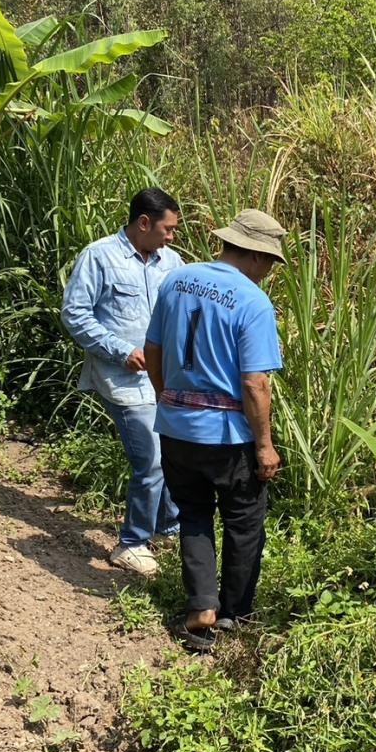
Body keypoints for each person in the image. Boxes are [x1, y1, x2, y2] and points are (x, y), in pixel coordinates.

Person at [144, 208, 287, 651]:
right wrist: (264, 445)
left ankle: (201, 607)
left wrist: (171, 398)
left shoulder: (176, 281)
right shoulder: (253, 302)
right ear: (258, 258)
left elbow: (153, 350)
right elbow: (254, 383)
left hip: (176, 428)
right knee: (244, 523)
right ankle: (235, 614)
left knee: (193, 513)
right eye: (270, 264)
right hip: (228, 438)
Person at [61, 187, 183, 577]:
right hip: (122, 380)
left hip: (164, 378)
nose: (172, 236)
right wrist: (120, 350)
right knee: (149, 457)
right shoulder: (99, 257)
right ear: (144, 223)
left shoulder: (172, 261)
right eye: (167, 228)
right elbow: (75, 314)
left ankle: (167, 526)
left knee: (171, 450)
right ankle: (131, 543)